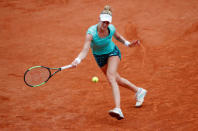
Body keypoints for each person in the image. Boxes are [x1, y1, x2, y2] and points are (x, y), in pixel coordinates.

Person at [71, 5, 147, 120]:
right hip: (99, 58)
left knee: (111, 77)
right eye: (103, 22)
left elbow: (118, 37)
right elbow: (85, 49)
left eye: (107, 22)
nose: (105, 25)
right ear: (99, 19)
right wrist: (77, 60)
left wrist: (128, 44)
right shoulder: (91, 33)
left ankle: (118, 108)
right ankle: (139, 91)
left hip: (113, 53)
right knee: (117, 79)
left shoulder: (111, 28)